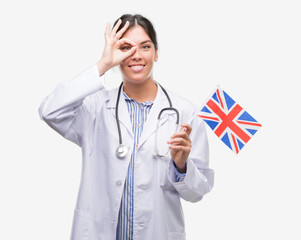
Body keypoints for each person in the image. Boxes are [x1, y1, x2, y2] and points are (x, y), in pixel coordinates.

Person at [39, 14, 214, 240]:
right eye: (126, 47)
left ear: (156, 53)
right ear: (116, 54)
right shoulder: (95, 108)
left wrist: (181, 166)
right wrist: (103, 64)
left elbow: (198, 193)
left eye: (145, 46)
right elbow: (49, 111)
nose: (136, 55)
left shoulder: (184, 113)